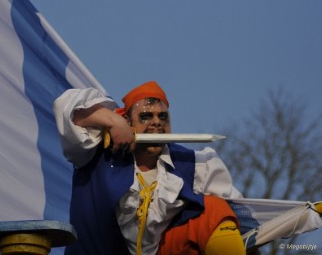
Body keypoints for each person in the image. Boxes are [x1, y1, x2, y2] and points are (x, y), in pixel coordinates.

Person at [54, 81, 245, 255]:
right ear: (128, 122)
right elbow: (67, 108)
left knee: (214, 210)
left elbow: (240, 214)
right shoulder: (95, 152)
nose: (156, 122)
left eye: (162, 116)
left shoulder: (194, 164)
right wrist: (114, 121)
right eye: (146, 116)